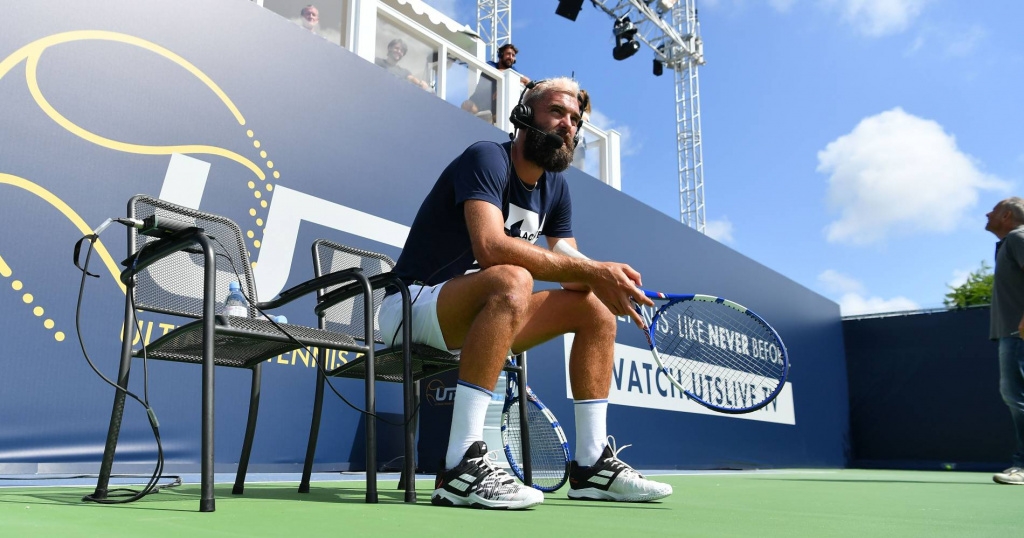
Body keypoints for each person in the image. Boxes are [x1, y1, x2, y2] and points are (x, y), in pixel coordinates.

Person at [379, 78, 673, 509]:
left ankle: (591, 467)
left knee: (593, 310)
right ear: (523, 115)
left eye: (575, 119)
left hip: (484, 314)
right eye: (557, 112)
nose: (568, 125)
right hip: (410, 307)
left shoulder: (557, 191)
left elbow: (571, 266)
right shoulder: (486, 158)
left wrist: (606, 281)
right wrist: (594, 270)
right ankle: (460, 465)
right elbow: (491, 246)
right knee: (513, 276)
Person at [986, 197, 1024, 485]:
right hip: (1012, 333)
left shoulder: (1018, 238)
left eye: (994, 210)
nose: (988, 213)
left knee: (1017, 397)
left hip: (1018, 333)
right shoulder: (1011, 242)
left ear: (1007, 215)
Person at [463, 43, 531, 122]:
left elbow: (527, 81)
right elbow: (495, 72)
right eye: (508, 54)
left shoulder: (513, 71)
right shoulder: (491, 64)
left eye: (513, 55)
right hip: (479, 100)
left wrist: (502, 90)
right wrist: (519, 78)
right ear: (501, 55)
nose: (511, 57)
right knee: (466, 105)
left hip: (495, 106)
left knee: (499, 119)